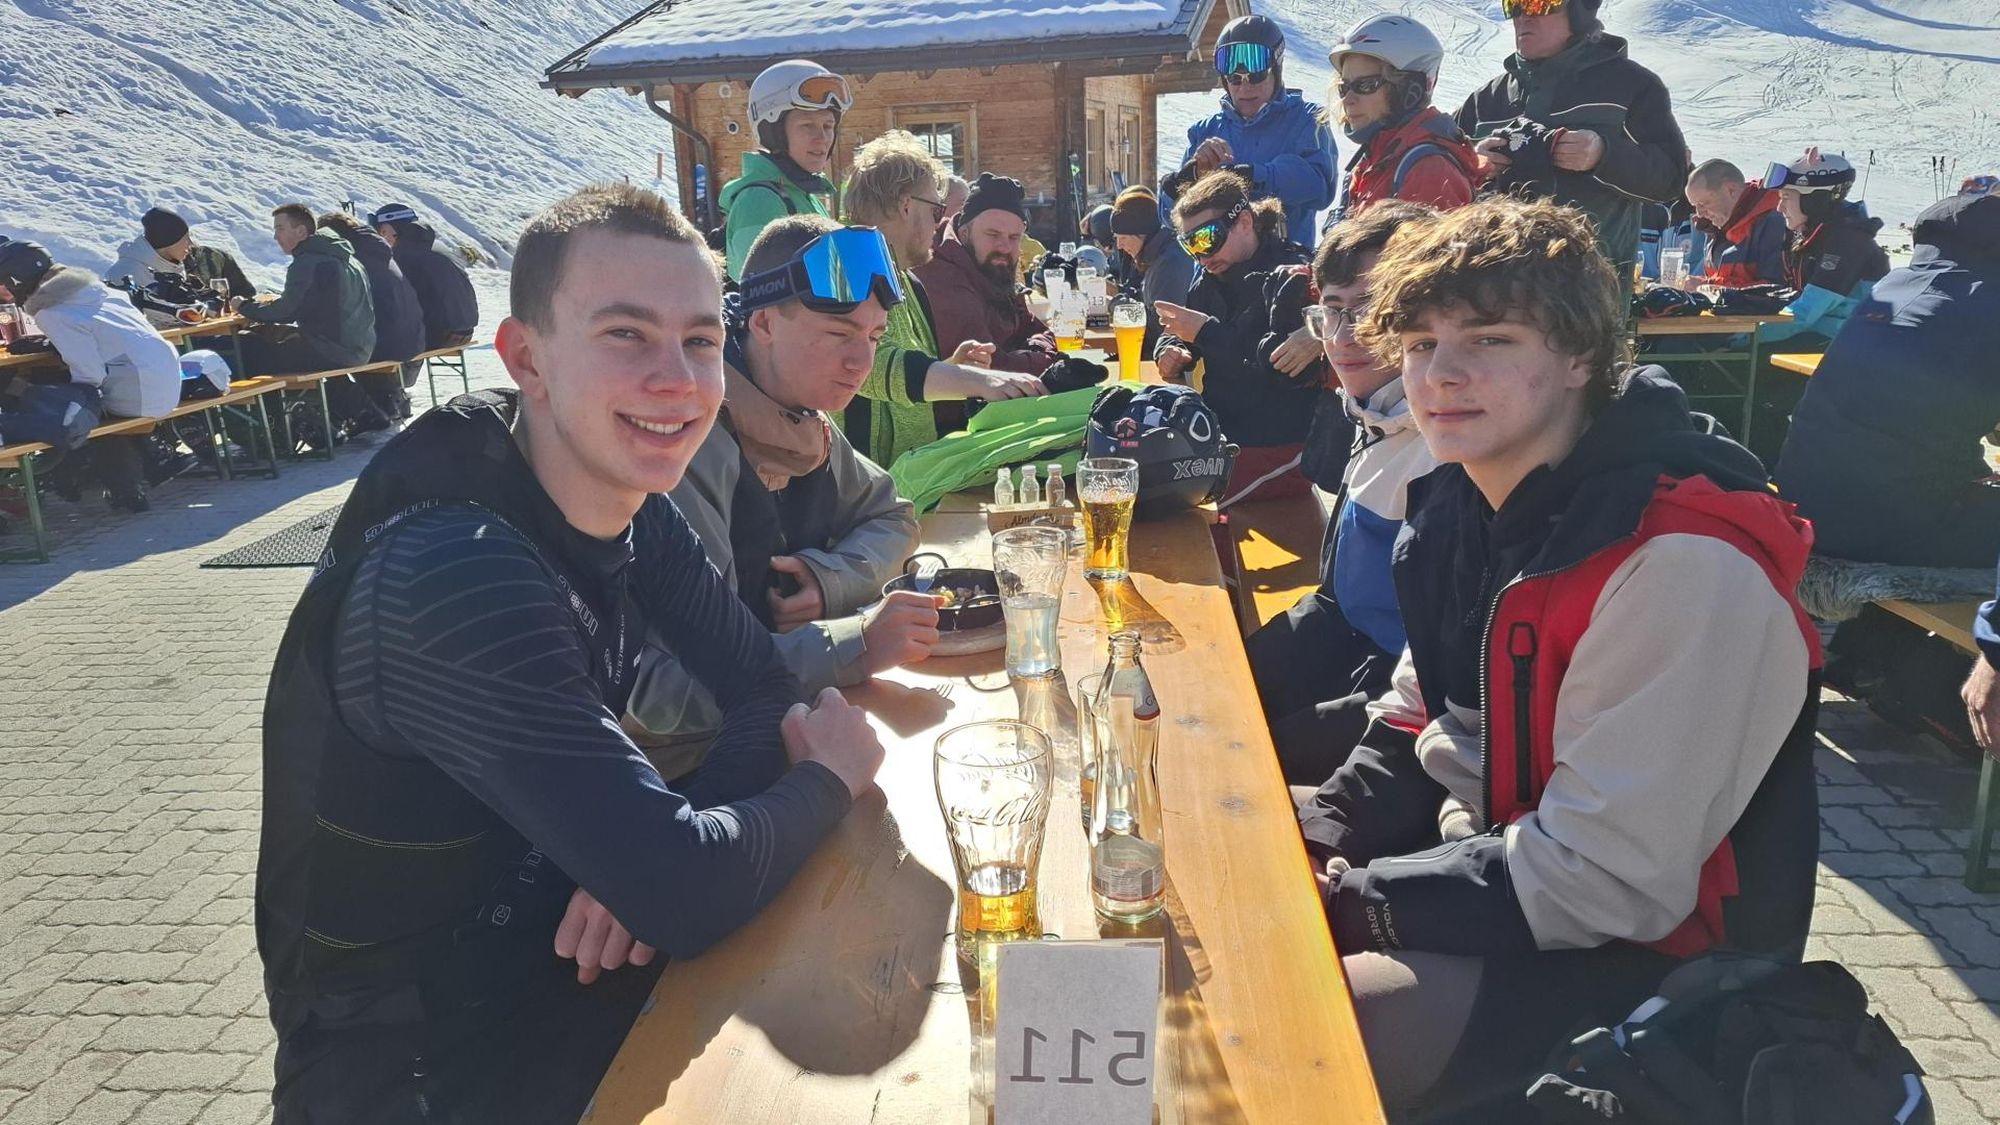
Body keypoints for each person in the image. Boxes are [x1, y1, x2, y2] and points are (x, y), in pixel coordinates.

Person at [256, 183, 884, 1123]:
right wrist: (822, 777)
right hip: (416, 1068)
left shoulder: (635, 506)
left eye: (701, 340)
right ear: (528, 360)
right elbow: (686, 882)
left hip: (545, 976)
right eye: (625, 334)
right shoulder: (453, 576)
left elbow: (758, 680)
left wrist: (643, 851)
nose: (677, 378)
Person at [1297, 198, 1818, 1119]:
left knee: (1296, 1022)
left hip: (1661, 967)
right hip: (1505, 877)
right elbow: (1420, 709)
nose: (1442, 373)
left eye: (1490, 339)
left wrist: (1359, 899)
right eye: (1418, 343)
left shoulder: (1679, 562)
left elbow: (1602, 882)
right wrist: (1325, 831)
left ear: (1582, 357)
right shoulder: (1467, 505)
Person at [628, 218, 938, 768]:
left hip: (784, 729)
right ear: (765, 321)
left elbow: (893, 516)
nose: (861, 363)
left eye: (874, 337)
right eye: (839, 333)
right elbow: (662, 694)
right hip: (692, 779)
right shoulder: (688, 443)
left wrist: (830, 581)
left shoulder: (801, 418)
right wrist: (856, 642)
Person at [1246, 201, 1438, 785]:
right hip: (1348, 647)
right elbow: (1335, 603)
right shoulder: (1376, 419)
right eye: (1333, 309)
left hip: (1406, 698)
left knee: (1246, 764)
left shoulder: (1453, 449)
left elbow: (1435, 679)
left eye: (1375, 308)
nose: (1347, 334)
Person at [1773, 191, 2000, 568]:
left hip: (1803, 505)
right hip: (1890, 526)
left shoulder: (1896, 284)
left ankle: (1872, 626)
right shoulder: (1988, 301)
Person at [838, 130, 1044, 468]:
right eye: (936, 211)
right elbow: (867, 368)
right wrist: (981, 380)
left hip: (905, 484)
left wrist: (951, 367)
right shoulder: (849, 269)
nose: (939, 225)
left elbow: (906, 382)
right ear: (906, 205)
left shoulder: (906, 278)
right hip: (863, 490)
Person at [1455, 0, 1687, 276]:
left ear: (1579, 13)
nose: (1523, 18)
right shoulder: (1487, 99)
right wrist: (1473, 162)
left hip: (1587, 294)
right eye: (1513, 6)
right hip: (1494, 290)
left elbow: (1671, 178)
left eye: (1538, 4)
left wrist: (1603, 155)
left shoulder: (1630, 86)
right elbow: (1439, 171)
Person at [1153, 171, 1321, 504]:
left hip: (1282, 447)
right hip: (1225, 440)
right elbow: (1181, 331)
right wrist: (1170, 350)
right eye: (1190, 246)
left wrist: (1203, 332)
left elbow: (1275, 366)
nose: (1201, 256)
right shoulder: (1209, 279)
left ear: (1244, 221)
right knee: (1146, 479)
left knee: (1188, 505)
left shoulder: (1294, 274)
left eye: (1208, 238)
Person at [2, 239, 182, 510]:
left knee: (58, 400)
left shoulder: (53, 313)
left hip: (140, 394)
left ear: (16, 280)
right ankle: (135, 473)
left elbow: (90, 377)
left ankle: (63, 474)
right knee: (72, 401)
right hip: (168, 382)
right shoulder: (96, 291)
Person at [1160, 15, 1337, 244]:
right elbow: (1169, 220)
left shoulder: (1308, 120)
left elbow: (1320, 188)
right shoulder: (1206, 131)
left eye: (1256, 76)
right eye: (1235, 78)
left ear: (1276, 70)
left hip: (1280, 269)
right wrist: (1187, 180)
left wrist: (1255, 176)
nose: (1245, 87)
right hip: (1214, 272)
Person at [233, 204, 378, 432]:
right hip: (358, 345)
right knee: (286, 343)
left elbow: (286, 312)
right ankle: (363, 411)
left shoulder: (308, 262)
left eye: (280, 228)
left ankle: (275, 430)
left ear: (301, 232)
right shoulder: (343, 255)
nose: (275, 236)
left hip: (333, 349)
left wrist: (245, 307)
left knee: (249, 350)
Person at [1326, 15, 1475, 221]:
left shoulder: (1429, 172)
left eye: (1366, 85)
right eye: (1345, 87)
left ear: (1409, 92)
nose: (1348, 100)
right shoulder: (1376, 157)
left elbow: (1416, 254)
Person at [914, 173, 1062, 377]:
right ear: (964, 232)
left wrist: (1038, 351)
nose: (1004, 246)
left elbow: (1032, 327)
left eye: (1014, 237)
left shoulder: (990, 268)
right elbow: (988, 366)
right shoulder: (943, 276)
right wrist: (1045, 359)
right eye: (993, 235)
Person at [720, 60, 849, 280]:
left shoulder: (803, 194)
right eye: (807, 125)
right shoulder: (759, 200)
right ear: (773, 131)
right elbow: (763, 293)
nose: (822, 138)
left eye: (828, 126)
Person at [1768, 149, 1889, 343]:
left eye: (1786, 197)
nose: (1779, 208)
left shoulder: (1848, 242)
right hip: (1820, 333)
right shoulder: (1810, 234)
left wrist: (1742, 335)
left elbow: (1804, 313)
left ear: (1814, 200)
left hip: (1844, 343)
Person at [319, 212, 423, 421]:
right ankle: (388, 399)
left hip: (386, 342)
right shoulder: (377, 249)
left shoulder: (348, 257)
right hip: (414, 337)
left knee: (329, 351)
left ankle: (366, 410)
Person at [369, 204, 480, 351]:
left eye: (383, 231)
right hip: (464, 331)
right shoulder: (436, 247)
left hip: (440, 334)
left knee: (375, 346)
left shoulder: (405, 253)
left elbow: (395, 298)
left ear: (397, 229)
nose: (382, 238)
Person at [1110, 186, 1196, 352]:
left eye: (1123, 237)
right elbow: (1148, 303)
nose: (1120, 245)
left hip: (1166, 357)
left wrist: (1118, 306)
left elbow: (1161, 326)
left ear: (1142, 233)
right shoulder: (1156, 255)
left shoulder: (1170, 263)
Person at [1684, 159, 1788, 286]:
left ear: (1731, 190)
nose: (1699, 213)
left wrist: (1708, 287)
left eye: (1704, 203)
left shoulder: (1772, 222)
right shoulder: (1714, 228)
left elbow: (1775, 290)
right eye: (1695, 206)